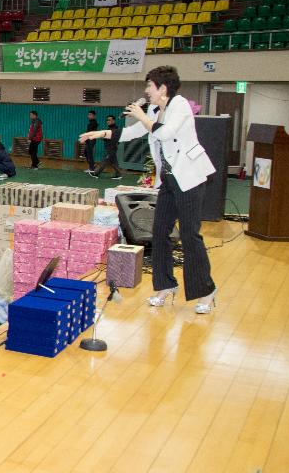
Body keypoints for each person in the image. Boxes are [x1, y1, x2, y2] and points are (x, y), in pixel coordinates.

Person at [80, 65, 217, 314]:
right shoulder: (153, 109)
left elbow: (166, 133)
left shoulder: (180, 106)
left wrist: (141, 115)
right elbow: (133, 132)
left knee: (189, 235)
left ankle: (206, 291)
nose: (146, 91)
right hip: (168, 180)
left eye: (149, 86)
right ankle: (165, 286)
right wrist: (99, 133)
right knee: (159, 231)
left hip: (189, 178)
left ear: (162, 89)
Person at [89, 115, 124, 179]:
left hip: (111, 147)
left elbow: (113, 138)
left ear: (113, 121)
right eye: (107, 120)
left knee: (105, 160)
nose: (108, 121)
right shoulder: (109, 128)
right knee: (113, 161)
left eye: (109, 120)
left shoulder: (115, 129)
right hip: (110, 147)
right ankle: (118, 174)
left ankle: (96, 173)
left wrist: (102, 136)